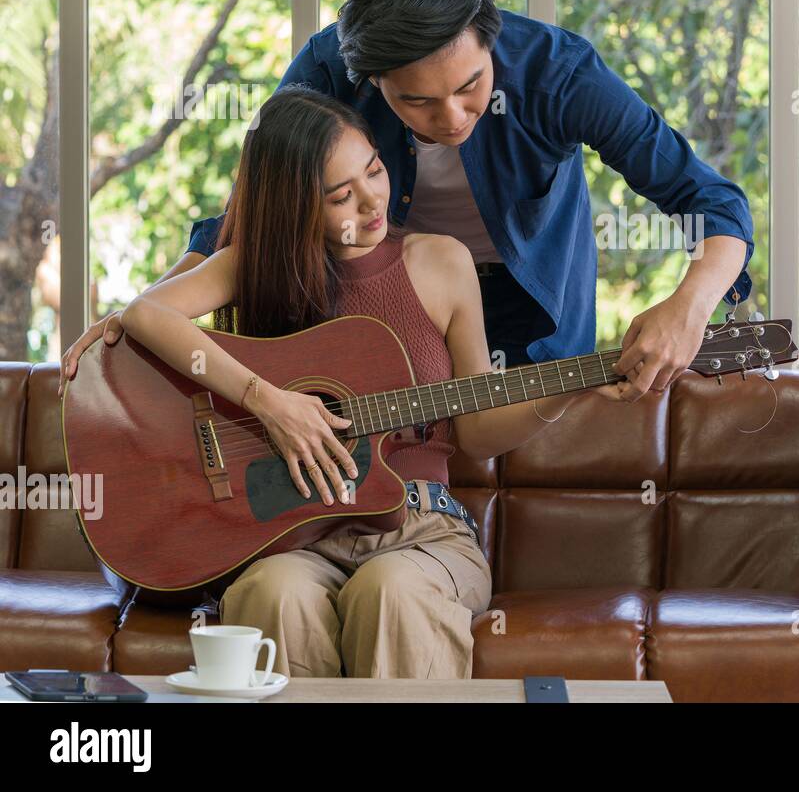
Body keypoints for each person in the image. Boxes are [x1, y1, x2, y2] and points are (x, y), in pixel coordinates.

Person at [58, 0, 755, 402]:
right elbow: (246, 215)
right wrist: (136, 315)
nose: (451, 116)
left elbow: (712, 200)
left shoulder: (560, 73)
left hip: (537, 330)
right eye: (416, 100)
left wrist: (687, 306)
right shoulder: (328, 68)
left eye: (471, 86)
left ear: (491, 39)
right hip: (380, 325)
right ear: (370, 81)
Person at [100, 87, 631, 680]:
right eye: (340, 197)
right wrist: (270, 404)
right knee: (274, 595)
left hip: (420, 531)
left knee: (390, 592)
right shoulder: (254, 268)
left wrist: (566, 389)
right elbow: (145, 315)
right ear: (294, 207)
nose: (373, 203)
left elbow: (477, 433)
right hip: (292, 539)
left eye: (374, 171)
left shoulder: (442, 262)